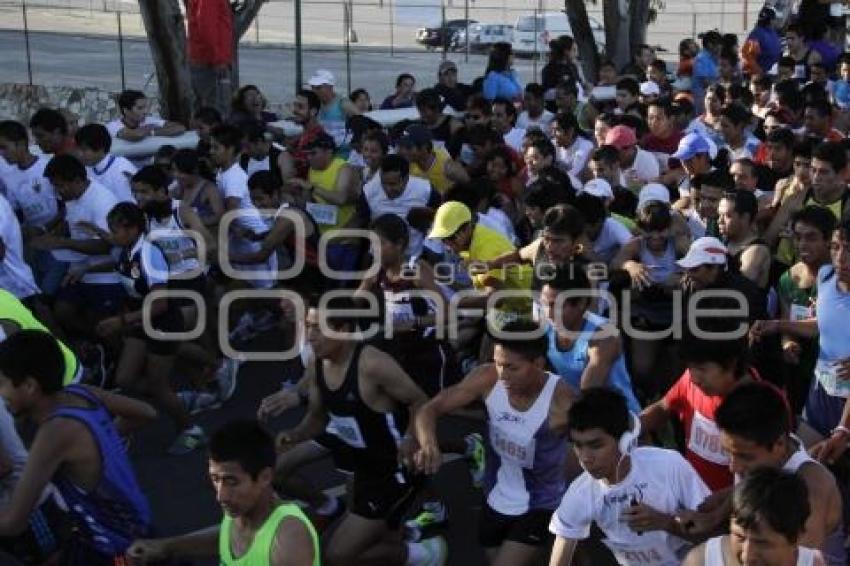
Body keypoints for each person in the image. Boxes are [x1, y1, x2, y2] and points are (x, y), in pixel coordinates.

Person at [277, 297, 442, 566]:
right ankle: (412, 549)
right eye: (308, 327)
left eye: (318, 328)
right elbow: (318, 417)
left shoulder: (372, 364)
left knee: (337, 554)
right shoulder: (318, 364)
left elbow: (420, 400)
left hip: (395, 469)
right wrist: (295, 434)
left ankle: (426, 555)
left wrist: (412, 437)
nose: (310, 336)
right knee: (381, 539)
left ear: (343, 330)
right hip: (363, 468)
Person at [415, 321, 574, 566]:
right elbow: (430, 408)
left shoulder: (561, 402)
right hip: (495, 495)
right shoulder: (487, 378)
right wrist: (428, 444)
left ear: (538, 364)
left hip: (540, 504)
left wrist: (578, 502)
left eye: (511, 367)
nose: (503, 374)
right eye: (498, 363)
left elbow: (595, 443)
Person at [0, 330, 154, 563]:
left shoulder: (54, 434)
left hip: (117, 551)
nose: (1, 395)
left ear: (30, 385)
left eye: (2, 384)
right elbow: (146, 413)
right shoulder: (82, 393)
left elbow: (14, 522)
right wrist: (104, 438)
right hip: (141, 530)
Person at [549, 387, 710, 566]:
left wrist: (666, 523)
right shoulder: (581, 492)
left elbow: (713, 534)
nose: (585, 458)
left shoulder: (670, 466)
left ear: (625, 441)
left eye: (595, 445)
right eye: (578, 445)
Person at [127, 420, 320, 565]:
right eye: (215, 479)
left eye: (231, 482)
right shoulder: (241, 508)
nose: (221, 496)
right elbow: (230, 537)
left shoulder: (288, 540)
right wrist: (166, 546)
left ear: (265, 477)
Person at [699, 382, 843, 564]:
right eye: (728, 453)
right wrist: (716, 514)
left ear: (779, 444)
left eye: (744, 456)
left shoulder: (812, 492)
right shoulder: (766, 454)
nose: (733, 467)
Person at [750, 220, 850, 464]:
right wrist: (778, 325)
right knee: (798, 466)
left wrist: (844, 429)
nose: (841, 257)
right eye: (836, 247)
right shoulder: (826, 276)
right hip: (821, 391)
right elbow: (822, 324)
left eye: (849, 249)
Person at [641, 312, 769, 491]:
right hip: (692, 498)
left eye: (701, 368)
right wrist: (629, 427)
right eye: (690, 367)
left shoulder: (763, 407)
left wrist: (718, 510)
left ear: (731, 363)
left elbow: (762, 475)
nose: (694, 377)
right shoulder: (692, 381)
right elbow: (664, 407)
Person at [541, 267, 641, 411]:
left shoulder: (605, 336)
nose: (549, 314)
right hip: (574, 411)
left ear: (581, 303)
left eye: (556, 306)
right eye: (545, 304)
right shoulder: (545, 325)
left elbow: (587, 393)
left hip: (617, 417)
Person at [683, 468, 825, 566]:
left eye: (762, 543)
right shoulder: (701, 561)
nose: (747, 556)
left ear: (796, 538)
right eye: (739, 537)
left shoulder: (813, 563)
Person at [777, 206, 835, 414]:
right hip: (800, 374)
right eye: (798, 237)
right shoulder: (787, 278)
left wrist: (773, 326)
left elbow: (820, 326)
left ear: (828, 240)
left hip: (835, 376)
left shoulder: (842, 279)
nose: (802, 244)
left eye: (811, 238)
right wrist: (788, 343)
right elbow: (787, 323)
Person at [0, 120, 65, 297]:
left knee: (48, 294)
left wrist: (46, 230)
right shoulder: (8, 177)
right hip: (32, 245)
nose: (1, 153)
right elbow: (16, 214)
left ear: (21, 143)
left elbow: (66, 207)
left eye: (4, 147)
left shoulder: (47, 166)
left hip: (58, 243)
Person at [359, 154, 440, 257]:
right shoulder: (368, 191)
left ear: (406, 178)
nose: (387, 189)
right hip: (379, 257)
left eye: (393, 184)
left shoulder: (425, 190)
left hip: (412, 257)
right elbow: (364, 223)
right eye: (383, 183)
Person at [718, 191, 771, 289]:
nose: (720, 221)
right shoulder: (725, 242)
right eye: (719, 215)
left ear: (745, 217)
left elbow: (741, 287)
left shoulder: (757, 250)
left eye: (727, 216)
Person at [397, 124, 469, 195]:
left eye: (408, 147)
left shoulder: (449, 167)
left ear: (424, 147)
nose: (403, 151)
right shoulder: (405, 163)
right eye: (401, 146)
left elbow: (469, 188)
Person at [74, 123, 137, 203]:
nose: (79, 154)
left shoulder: (121, 170)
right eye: (78, 149)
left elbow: (129, 204)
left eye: (84, 150)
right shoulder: (87, 167)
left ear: (101, 148)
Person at [106, 89, 185, 142]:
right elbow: (136, 135)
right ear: (126, 110)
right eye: (140, 108)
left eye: (145, 107)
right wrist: (150, 128)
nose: (145, 111)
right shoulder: (113, 126)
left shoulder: (149, 120)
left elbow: (180, 128)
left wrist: (152, 132)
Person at [308, 69, 359, 150]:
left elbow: (362, 124)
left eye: (318, 88)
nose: (314, 91)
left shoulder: (343, 104)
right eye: (312, 87)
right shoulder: (315, 105)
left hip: (343, 151)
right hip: (323, 150)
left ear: (330, 87)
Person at [605, 125, 660, 192]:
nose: (611, 153)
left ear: (630, 148)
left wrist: (642, 187)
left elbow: (652, 193)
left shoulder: (648, 162)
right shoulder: (605, 157)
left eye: (615, 150)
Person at [741, 6, 782, 78]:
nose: (777, 20)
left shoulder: (773, 33)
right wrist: (759, 72)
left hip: (772, 75)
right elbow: (747, 55)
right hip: (759, 78)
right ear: (771, 20)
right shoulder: (756, 34)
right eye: (775, 19)